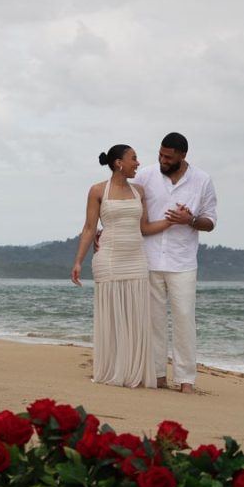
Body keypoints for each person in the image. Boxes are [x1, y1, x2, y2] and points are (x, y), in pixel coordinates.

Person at [71, 145, 171, 388]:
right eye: (133, 159)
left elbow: (144, 228)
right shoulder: (97, 190)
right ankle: (113, 369)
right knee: (112, 317)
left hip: (136, 259)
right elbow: (89, 228)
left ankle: (134, 372)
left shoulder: (139, 191)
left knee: (137, 317)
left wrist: (172, 221)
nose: (137, 163)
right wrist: (78, 262)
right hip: (109, 259)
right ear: (119, 163)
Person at [133, 132, 217, 393]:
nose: (162, 159)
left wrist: (189, 220)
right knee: (154, 320)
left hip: (183, 261)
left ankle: (185, 380)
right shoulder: (145, 175)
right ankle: (157, 375)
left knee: (184, 319)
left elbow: (211, 222)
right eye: (160, 154)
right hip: (149, 258)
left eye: (168, 157)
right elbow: (127, 204)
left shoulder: (202, 180)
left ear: (182, 156)